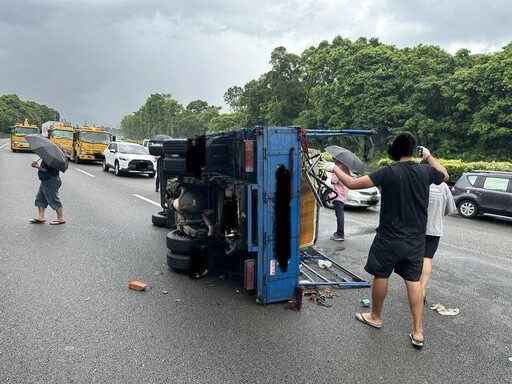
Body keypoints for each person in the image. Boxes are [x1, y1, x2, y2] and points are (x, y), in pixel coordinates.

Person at [331, 132, 449, 349]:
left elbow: (353, 184)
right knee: (413, 281)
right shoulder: (426, 171)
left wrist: (334, 168)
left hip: (389, 237)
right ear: (413, 150)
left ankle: (375, 317)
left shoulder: (388, 171)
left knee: (381, 274)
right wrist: (429, 156)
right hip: (415, 240)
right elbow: (445, 174)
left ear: (395, 149)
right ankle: (418, 331)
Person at [420, 179, 456, 304]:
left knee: (413, 259)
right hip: (435, 229)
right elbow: (448, 209)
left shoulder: (419, 182)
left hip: (415, 229)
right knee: (427, 258)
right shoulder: (444, 186)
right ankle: (422, 290)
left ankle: (413, 288)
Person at [29, 159, 65, 225]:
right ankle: (40, 217)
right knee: (40, 198)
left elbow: (46, 170)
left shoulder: (52, 159)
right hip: (45, 181)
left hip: (51, 181)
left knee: (53, 199)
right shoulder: (48, 157)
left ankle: (60, 218)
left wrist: (37, 166)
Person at [328, 159, 349, 241]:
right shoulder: (346, 168)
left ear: (338, 160)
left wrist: (333, 171)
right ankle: (339, 232)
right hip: (343, 194)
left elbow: (333, 181)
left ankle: (340, 233)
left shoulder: (338, 168)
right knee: (340, 214)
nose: (333, 160)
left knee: (339, 214)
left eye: (334, 158)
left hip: (338, 195)